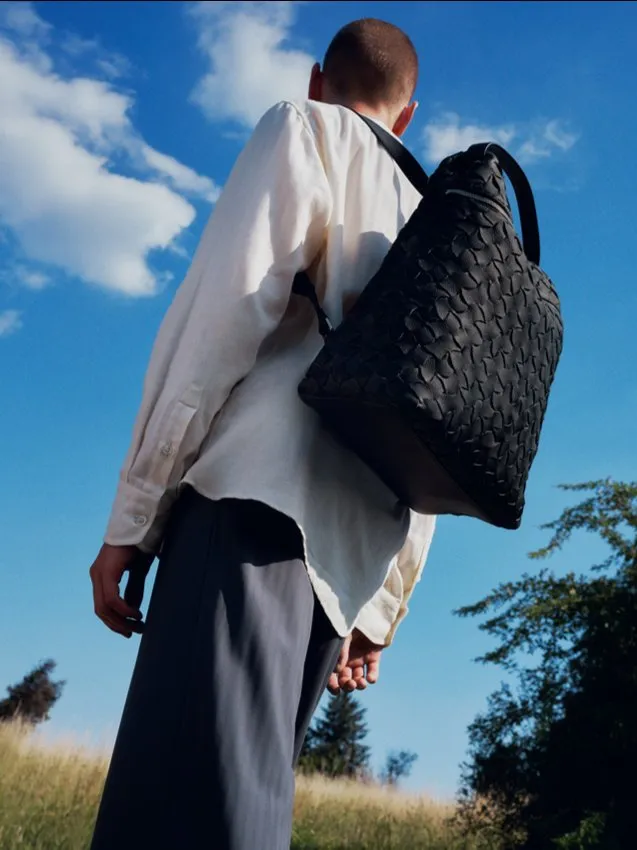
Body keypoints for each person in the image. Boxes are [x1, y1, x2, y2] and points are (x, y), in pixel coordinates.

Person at [88, 17, 436, 850]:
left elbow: (219, 320)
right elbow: (438, 429)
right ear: (408, 116)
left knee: (182, 813)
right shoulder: (434, 218)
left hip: (250, 505)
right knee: (239, 802)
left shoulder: (304, 126)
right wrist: (382, 602)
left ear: (317, 79)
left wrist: (133, 516)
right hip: (348, 559)